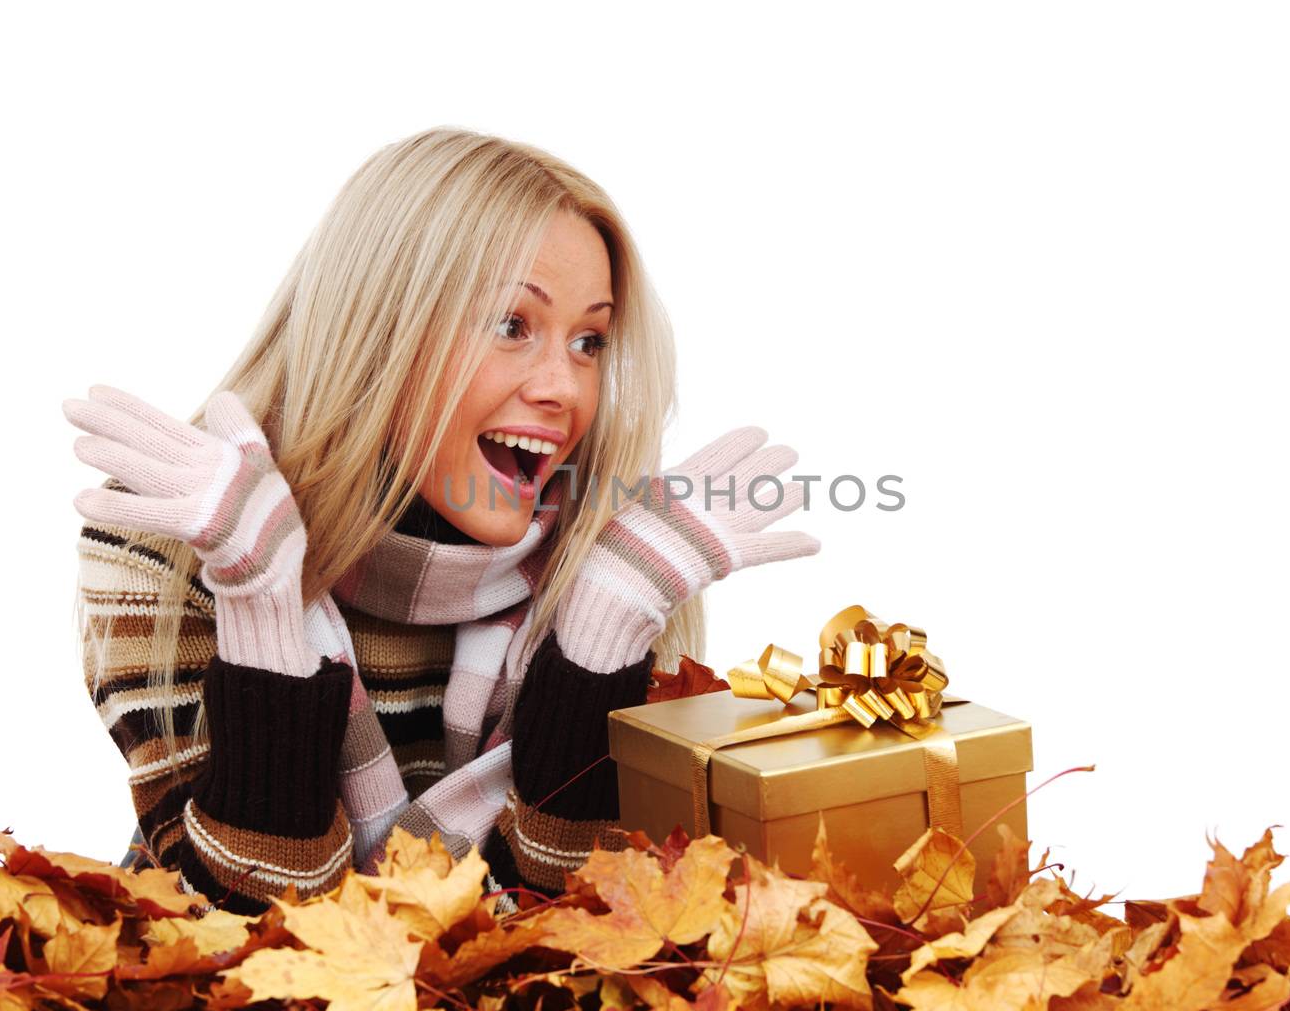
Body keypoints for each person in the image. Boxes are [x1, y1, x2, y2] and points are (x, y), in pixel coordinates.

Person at [63, 128, 820, 915]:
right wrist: (260, 607)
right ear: (379, 328)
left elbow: (593, 931)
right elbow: (228, 939)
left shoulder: (613, 561)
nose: (565, 388)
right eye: (512, 325)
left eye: (589, 340)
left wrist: (598, 636)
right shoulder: (168, 535)